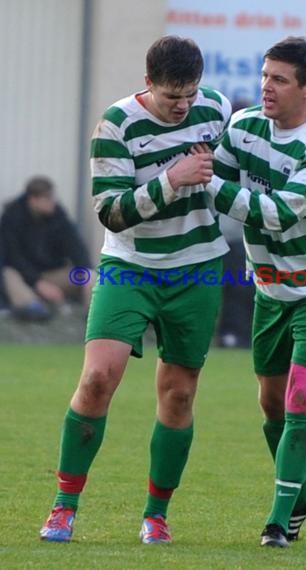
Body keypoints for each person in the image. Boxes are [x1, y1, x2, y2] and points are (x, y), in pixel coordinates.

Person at [39, 35, 231, 544]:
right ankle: (64, 505)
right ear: (148, 84)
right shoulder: (115, 124)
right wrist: (173, 179)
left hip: (198, 267)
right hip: (130, 266)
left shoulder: (216, 109)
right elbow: (110, 212)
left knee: (179, 393)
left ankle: (156, 515)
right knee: (98, 378)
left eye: (190, 93)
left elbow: (230, 175)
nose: (184, 105)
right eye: (173, 96)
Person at [201, 36, 306, 547]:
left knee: (299, 397)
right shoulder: (245, 127)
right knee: (271, 401)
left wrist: (202, 177)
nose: (265, 87)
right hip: (272, 286)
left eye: (279, 79)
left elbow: (276, 211)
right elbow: (216, 178)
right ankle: (303, 492)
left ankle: (279, 523)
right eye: (264, 76)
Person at [0, 176, 95, 321]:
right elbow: (14, 258)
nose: (53, 202)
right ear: (33, 200)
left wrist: (87, 270)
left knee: (90, 275)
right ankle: (32, 307)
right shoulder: (11, 218)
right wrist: (38, 283)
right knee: (8, 273)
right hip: (24, 277)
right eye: (48, 198)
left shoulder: (58, 216)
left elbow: (76, 247)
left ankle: (92, 315)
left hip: (52, 274)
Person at [217, 99, 255, 349]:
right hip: (222, 233)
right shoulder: (219, 152)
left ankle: (241, 333)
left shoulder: (260, 152)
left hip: (249, 235)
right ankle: (228, 332)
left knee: (245, 287)